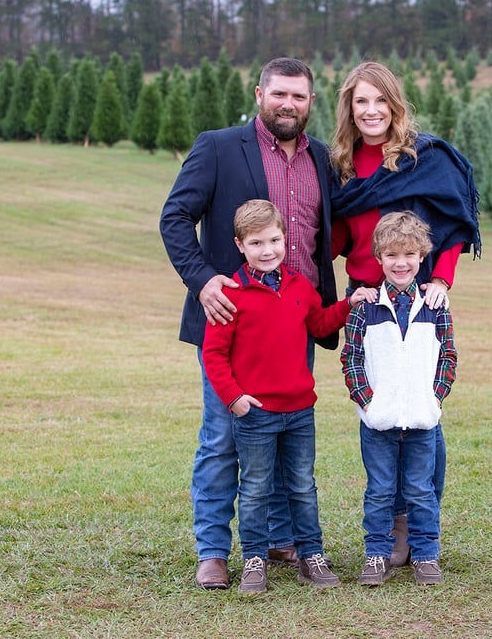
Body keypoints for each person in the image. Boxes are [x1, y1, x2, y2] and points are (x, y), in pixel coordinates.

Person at [160, 57, 339, 590]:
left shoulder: (323, 159)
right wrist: (203, 279)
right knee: (223, 438)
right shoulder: (218, 147)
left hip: (297, 325)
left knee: (285, 438)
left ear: (311, 102)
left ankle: (282, 539)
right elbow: (175, 216)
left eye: (300, 97)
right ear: (259, 93)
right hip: (234, 322)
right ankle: (214, 550)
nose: (289, 104)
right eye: (280, 94)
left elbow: (331, 234)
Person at [330, 60, 480, 567]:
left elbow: (453, 225)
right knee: (380, 417)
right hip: (366, 300)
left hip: (419, 295)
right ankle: (395, 528)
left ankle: (417, 529)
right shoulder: (342, 167)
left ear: (396, 105)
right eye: (361, 102)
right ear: (349, 109)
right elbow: (333, 236)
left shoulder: (424, 158)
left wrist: (441, 280)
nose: (371, 111)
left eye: (381, 100)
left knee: (422, 416)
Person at [202, 200, 376, 593]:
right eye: (257, 243)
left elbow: (318, 323)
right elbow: (213, 354)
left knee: (301, 485)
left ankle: (310, 554)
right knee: (256, 487)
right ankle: (253, 560)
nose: (268, 250)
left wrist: (348, 304)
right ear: (240, 245)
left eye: (275, 240)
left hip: (299, 410)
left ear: (286, 240)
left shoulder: (299, 285)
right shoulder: (233, 294)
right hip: (255, 413)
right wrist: (235, 399)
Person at [341, 211, 457, 586]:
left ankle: (426, 555)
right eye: (391, 255)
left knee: (421, 491)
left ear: (421, 257)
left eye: (408, 254)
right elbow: (352, 358)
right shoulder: (366, 307)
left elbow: (447, 357)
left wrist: (434, 399)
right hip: (379, 424)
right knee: (379, 491)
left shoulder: (435, 306)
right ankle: (377, 553)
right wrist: (367, 402)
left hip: (422, 421)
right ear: (379, 259)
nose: (400, 263)